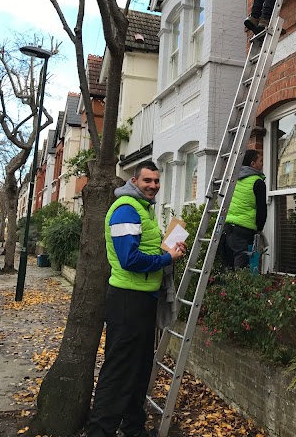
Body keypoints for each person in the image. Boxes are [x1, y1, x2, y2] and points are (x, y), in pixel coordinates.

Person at [86, 160, 186, 437]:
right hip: (127, 301)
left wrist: (169, 248)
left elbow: (146, 249)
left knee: (139, 369)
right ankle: (99, 431)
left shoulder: (142, 210)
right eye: (147, 181)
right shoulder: (126, 210)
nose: (153, 185)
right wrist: (167, 257)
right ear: (134, 181)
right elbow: (129, 259)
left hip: (142, 300)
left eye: (156, 181)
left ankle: (134, 428)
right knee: (119, 370)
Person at [220, 149, 267, 270]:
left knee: (228, 270)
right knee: (242, 272)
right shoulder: (258, 182)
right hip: (243, 232)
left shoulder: (233, 179)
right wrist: (259, 229)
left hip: (227, 230)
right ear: (253, 164)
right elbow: (262, 211)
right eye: (260, 161)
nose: (262, 163)